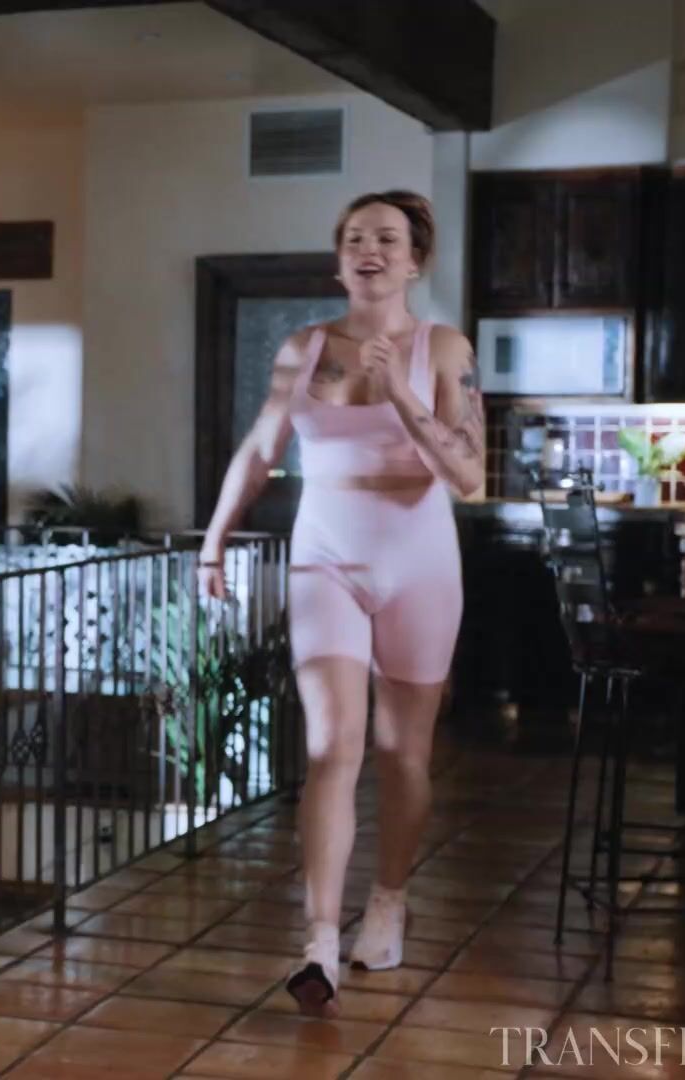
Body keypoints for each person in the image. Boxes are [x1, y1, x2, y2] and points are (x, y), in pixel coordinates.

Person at [198, 191, 482, 1017]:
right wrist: (215, 538)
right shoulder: (306, 349)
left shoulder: (443, 348)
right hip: (324, 560)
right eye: (356, 237)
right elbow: (261, 450)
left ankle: (388, 898)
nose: (370, 249)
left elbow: (469, 475)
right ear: (339, 260)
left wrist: (402, 394)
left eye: (387, 238)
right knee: (331, 747)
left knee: (403, 755)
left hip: (419, 565)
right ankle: (318, 941)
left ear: (414, 261)